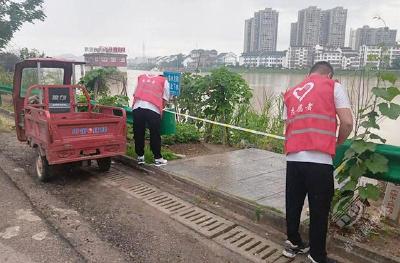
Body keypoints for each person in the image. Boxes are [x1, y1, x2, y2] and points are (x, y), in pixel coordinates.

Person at [282, 61, 353, 263]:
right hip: (319, 159)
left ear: (309, 73)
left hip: (294, 158)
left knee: (293, 203)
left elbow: (287, 125)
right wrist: (337, 141)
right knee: (319, 208)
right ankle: (316, 255)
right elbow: (347, 122)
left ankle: (293, 243)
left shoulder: (291, 91)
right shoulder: (333, 86)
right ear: (329, 75)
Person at [132, 73, 170, 166]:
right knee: (155, 133)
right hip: (153, 109)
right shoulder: (164, 80)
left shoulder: (141, 77)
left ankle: (140, 157)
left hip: (137, 107)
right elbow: (165, 98)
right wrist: (161, 109)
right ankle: (158, 158)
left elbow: (135, 93)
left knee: (138, 133)